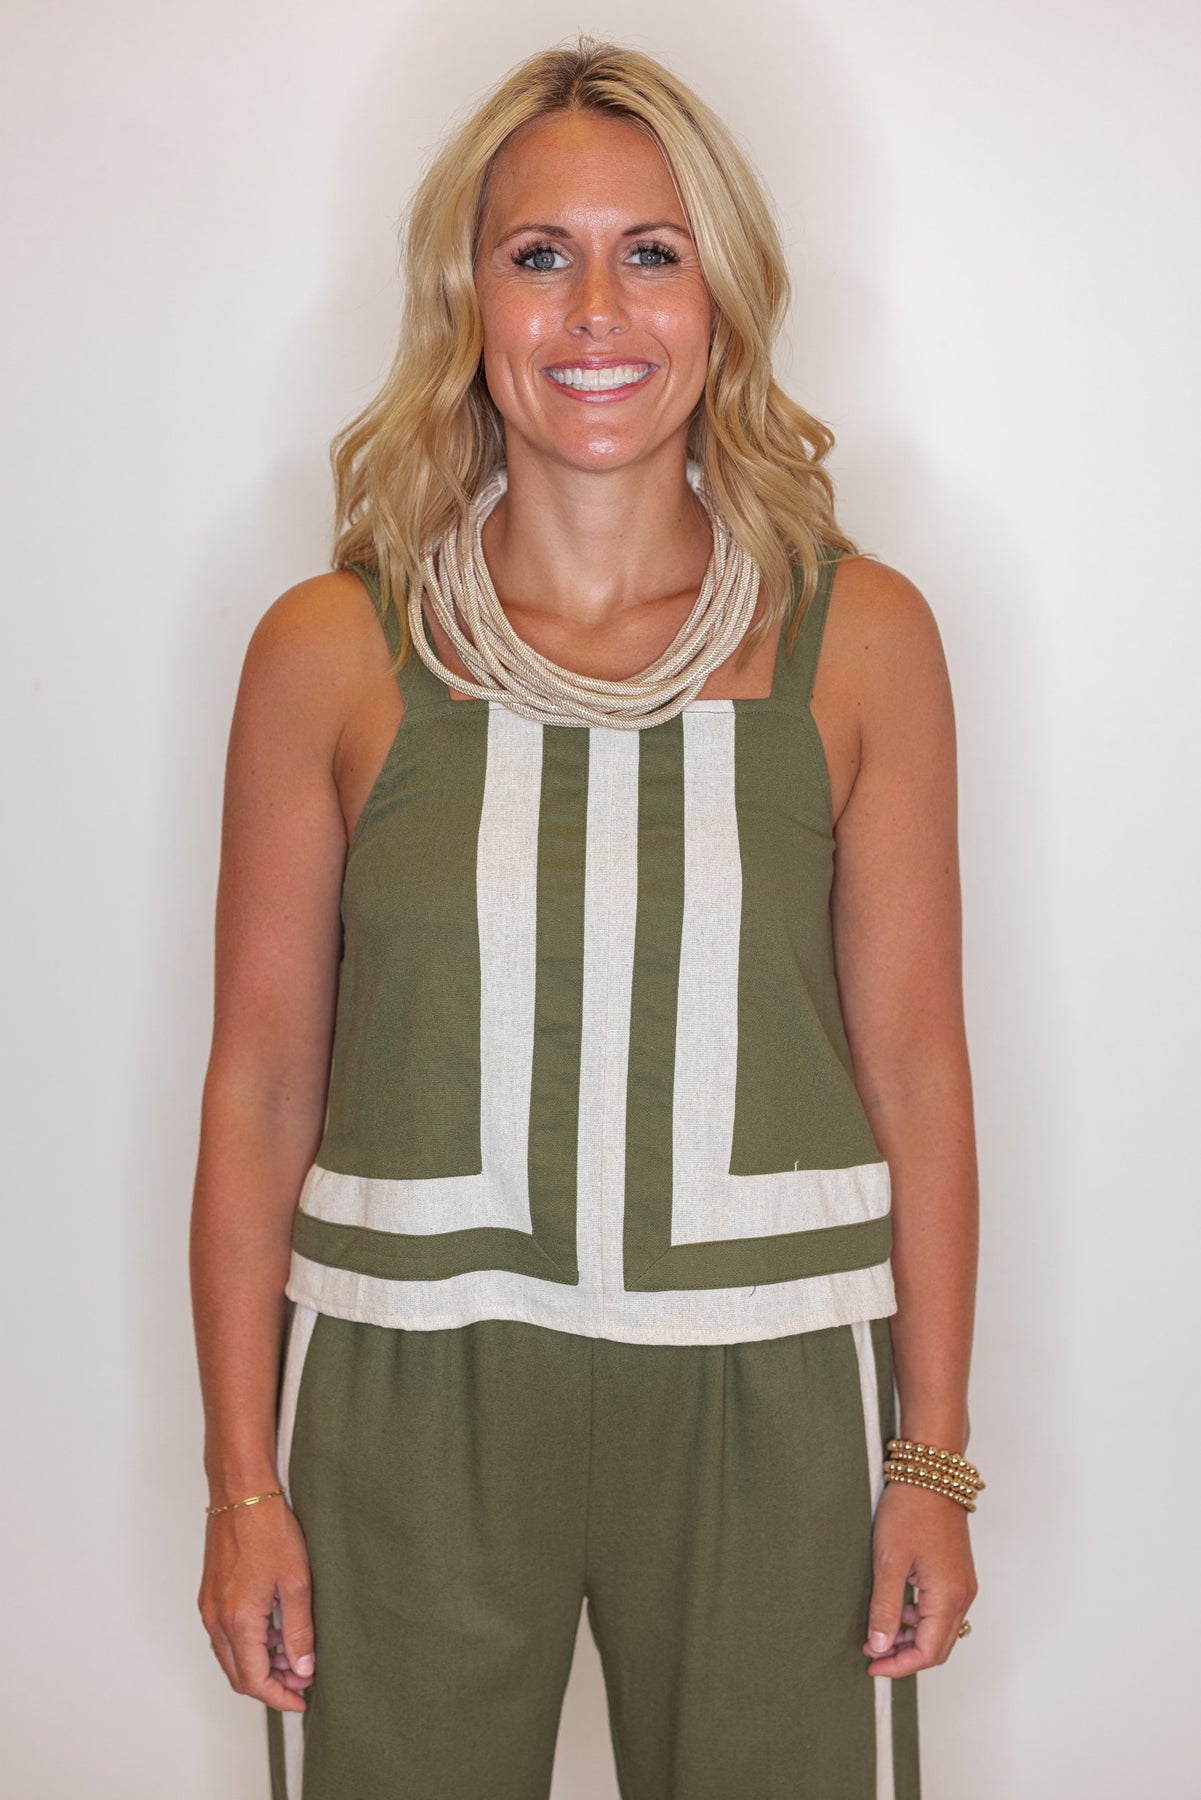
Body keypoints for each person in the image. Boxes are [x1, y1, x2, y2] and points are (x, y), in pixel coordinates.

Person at [191, 35, 981, 1800]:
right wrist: (243, 1486)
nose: (596, 311)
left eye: (654, 251)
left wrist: (928, 1460)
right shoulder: (331, 649)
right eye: (539, 254)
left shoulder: (862, 639)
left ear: (722, 296)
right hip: (403, 1388)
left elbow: (916, 1073)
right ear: (465, 298)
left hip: (772, 1385)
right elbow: (258, 1089)